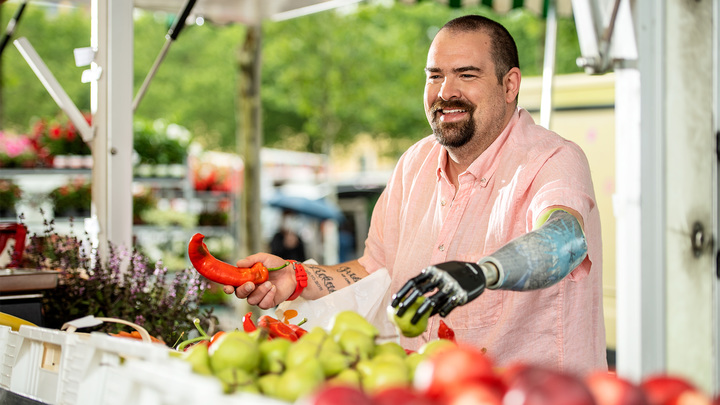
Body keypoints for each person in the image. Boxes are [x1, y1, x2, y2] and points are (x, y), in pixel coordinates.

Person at [224, 14, 606, 375]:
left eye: (466, 75)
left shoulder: (553, 158)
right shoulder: (414, 163)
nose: (445, 92)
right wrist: (297, 276)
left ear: (510, 85)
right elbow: (373, 271)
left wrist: (483, 272)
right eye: (434, 75)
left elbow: (565, 241)